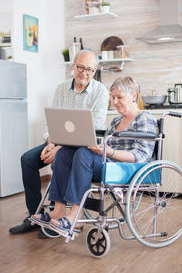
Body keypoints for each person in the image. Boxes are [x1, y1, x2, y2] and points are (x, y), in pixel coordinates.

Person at [31, 76, 157, 236]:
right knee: (64, 153)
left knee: (84, 154)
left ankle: (75, 216)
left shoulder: (145, 118)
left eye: (119, 97)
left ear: (133, 95)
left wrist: (109, 152)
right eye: (113, 97)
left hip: (127, 168)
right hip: (107, 164)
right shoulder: (116, 121)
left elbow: (141, 156)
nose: (115, 101)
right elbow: (106, 147)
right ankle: (59, 210)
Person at [9, 50, 109, 235]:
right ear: (73, 65)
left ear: (95, 71)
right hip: (56, 141)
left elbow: (93, 129)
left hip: (82, 147)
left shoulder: (100, 92)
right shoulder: (62, 88)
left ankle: (59, 216)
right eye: (80, 67)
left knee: (61, 157)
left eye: (90, 70)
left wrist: (60, 148)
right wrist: (50, 143)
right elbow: (51, 121)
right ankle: (35, 216)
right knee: (27, 160)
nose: (84, 73)